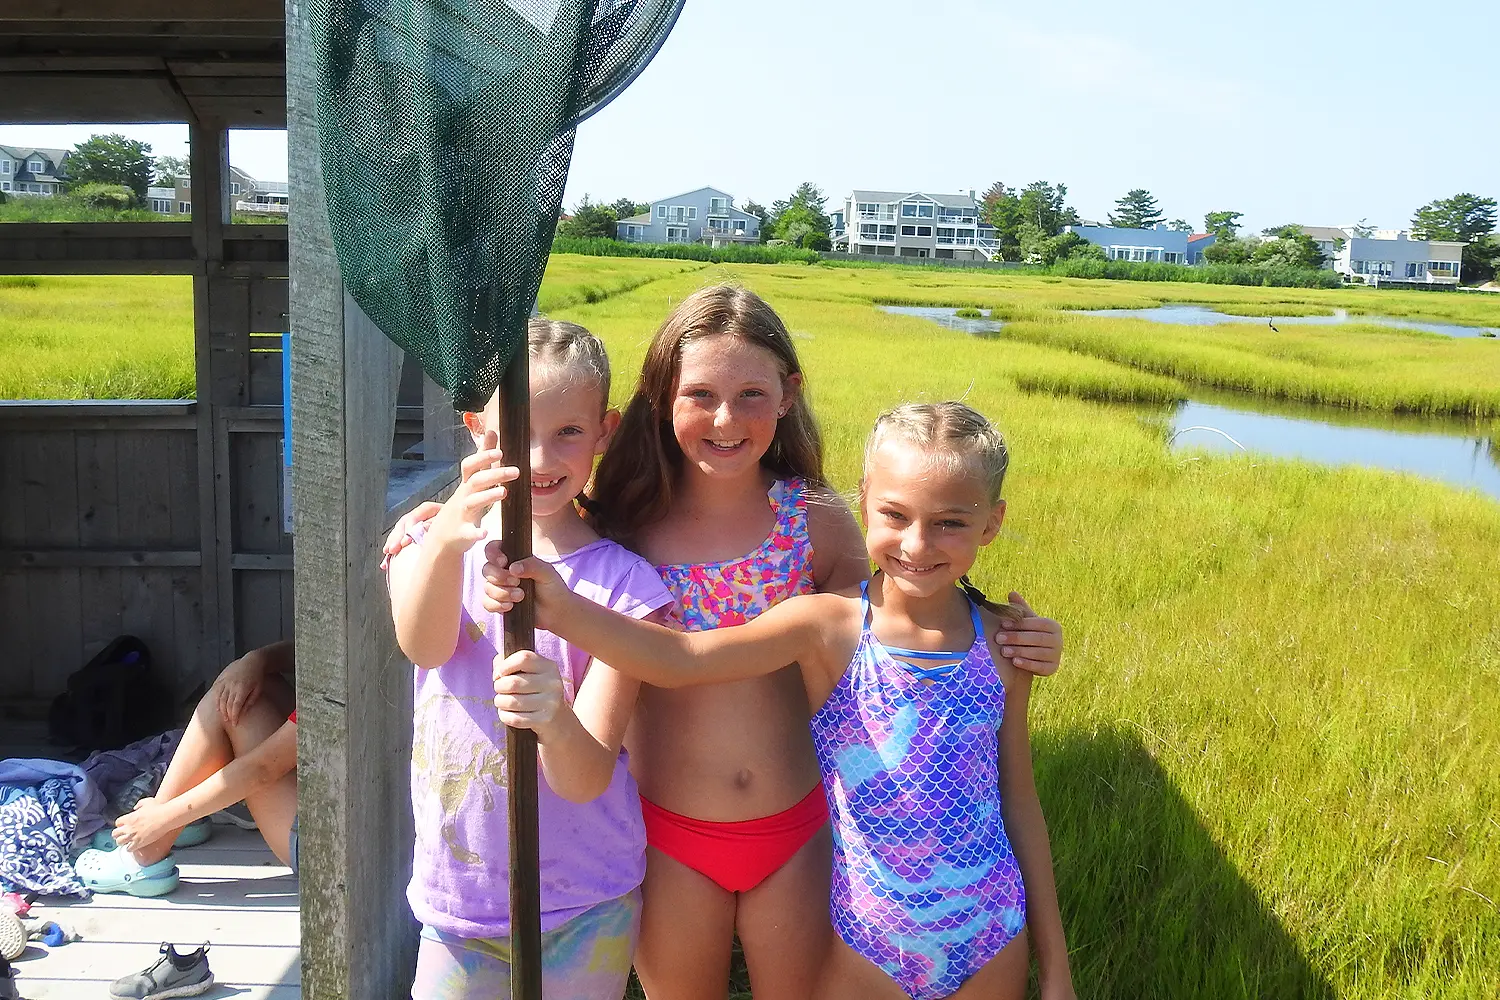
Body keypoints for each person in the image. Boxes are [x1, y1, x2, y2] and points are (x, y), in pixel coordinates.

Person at [386, 285, 1065, 998]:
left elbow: (895, 608)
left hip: (795, 829)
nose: (724, 418)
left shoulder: (817, 517)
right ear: (661, 401)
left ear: (787, 394)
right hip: (667, 834)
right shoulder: (625, 520)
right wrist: (437, 525)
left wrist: (1007, 628)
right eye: (700, 393)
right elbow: (550, 516)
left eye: (750, 394)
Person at [385, 319, 677, 1000]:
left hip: (587, 900)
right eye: (516, 433)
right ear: (475, 430)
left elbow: (583, 776)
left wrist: (555, 715)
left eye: (568, 432)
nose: (540, 457)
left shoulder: (626, 587)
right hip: (457, 899)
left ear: (604, 430)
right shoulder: (429, 542)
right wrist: (447, 544)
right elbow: (422, 645)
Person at [75, 641, 299, 896]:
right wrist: (255, 660)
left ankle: (147, 849)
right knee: (249, 685)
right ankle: (173, 822)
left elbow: (261, 769)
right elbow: (308, 650)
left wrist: (162, 818)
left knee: (225, 703)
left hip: (324, 849)